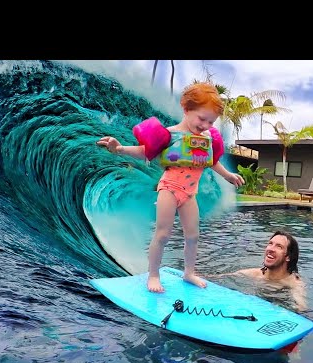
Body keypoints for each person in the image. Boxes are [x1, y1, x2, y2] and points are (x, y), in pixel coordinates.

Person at [97, 82, 245, 293]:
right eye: (202, 118)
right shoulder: (169, 134)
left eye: (211, 122)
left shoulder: (206, 139)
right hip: (169, 188)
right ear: (186, 109)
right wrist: (119, 149)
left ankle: (189, 272)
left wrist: (228, 175)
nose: (205, 125)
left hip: (189, 194)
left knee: (193, 236)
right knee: (163, 234)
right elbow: (145, 151)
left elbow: (211, 161)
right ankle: (154, 275)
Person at [230, 230, 307, 312]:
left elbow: (301, 309)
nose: (271, 249)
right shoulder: (255, 274)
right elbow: (220, 278)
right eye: (270, 243)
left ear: (288, 257)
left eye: (279, 246)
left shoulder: (294, 284)